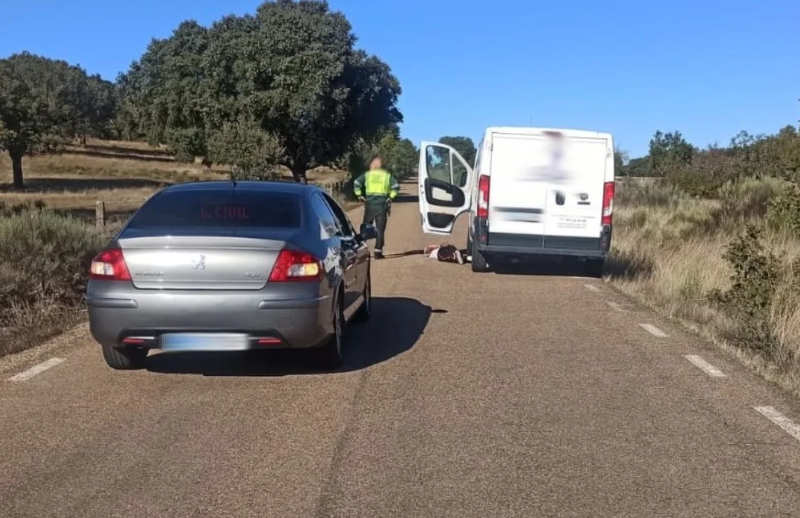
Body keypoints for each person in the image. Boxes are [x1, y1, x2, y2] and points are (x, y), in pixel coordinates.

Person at [353, 154, 399, 259]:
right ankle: (378, 252)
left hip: (369, 204)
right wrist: (390, 197)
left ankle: (361, 251)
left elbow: (356, 183)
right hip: (381, 206)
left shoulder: (368, 174)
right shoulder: (386, 175)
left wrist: (359, 195)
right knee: (380, 229)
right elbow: (396, 187)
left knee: (365, 228)